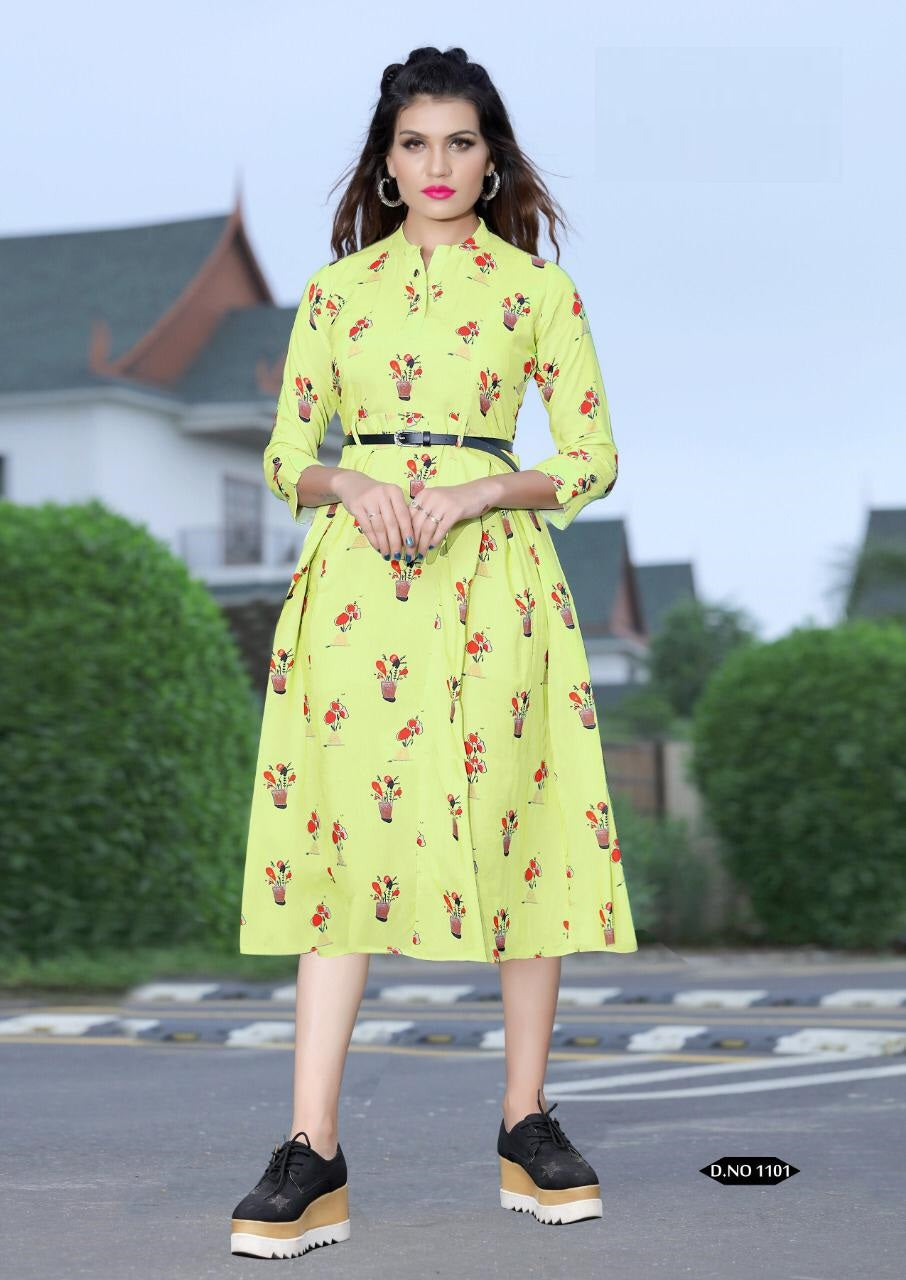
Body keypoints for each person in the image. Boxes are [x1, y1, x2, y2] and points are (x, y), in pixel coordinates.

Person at [230, 45, 638, 1260]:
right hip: (358, 591)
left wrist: (483, 489)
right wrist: (347, 481)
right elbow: (283, 453)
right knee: (339, 843)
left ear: (490, 158)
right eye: (416, 144)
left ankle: (526, 1121)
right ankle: (311, 1149)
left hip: (496, 583)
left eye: (461, 142)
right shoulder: (333, 293)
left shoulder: (538, 293)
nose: (439, 164)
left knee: (521, 823)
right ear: (387, 163)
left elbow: (592, 455)